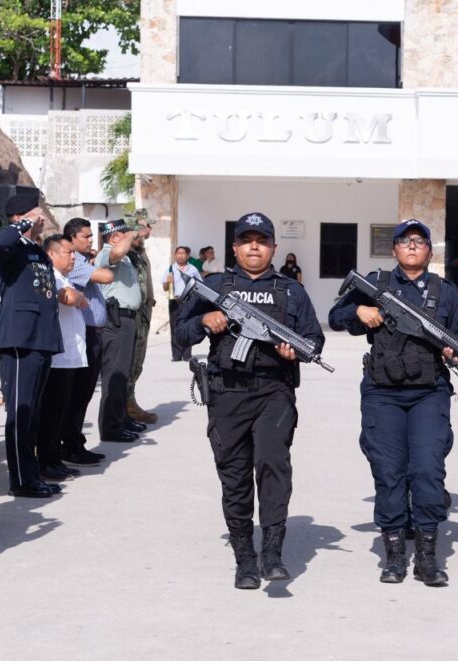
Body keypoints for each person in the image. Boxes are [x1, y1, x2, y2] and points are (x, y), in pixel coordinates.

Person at [175, 212, 324, 590]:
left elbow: (313, 340)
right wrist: (205, 321)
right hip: (226, 392)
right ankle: (244, 557)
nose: (254, 247)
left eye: (262, 241)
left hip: (274, 391)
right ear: (235, 247)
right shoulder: (215, 285)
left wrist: (295, 352)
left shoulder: (291, 291)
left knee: (274, 466)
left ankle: (272, 553)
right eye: (247, 241)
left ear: (274, 247)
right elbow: (181, 334)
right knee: (234, 474)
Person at [329, 219, 458, 587]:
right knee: (388, 471)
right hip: (382, 392)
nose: (412, 245)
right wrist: (358, 312)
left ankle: (426, 557)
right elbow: (335, 316)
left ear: (429, 251)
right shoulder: (376, 285)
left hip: (429, 391)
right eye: (404, 241)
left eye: (419, 241)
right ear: (394, 249)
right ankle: (393, 556)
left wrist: (454, 350)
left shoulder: (444, 291)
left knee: (427, 470)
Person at [0, 195, 63, 498]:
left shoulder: (35, 249)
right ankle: (20, 480)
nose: (42, 217)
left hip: (41, 338)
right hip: (21, 340)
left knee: (32, 413)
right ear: (19, 216)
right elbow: (0, 242)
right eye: (37, 212)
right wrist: (24, 223)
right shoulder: (12, 246)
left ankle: (31, 476)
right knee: (21, 413)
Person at [36, 235, 89, 481]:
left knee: (61, 411)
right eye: (68, 252)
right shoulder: (51, 277)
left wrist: (78, 296)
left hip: (70, 356)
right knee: (51, 412)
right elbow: (68, 297)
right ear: (51, 254)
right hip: (58, 357)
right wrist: (78, 297)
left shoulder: (64, 278)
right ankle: (47, 461)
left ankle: (55, 458)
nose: (73, 257)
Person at [63, 218, 113, 466]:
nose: (91, 240)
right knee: (78, 394)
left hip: (92, 333)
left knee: (83, 393)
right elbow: (107, 276)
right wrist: (97, 261)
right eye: (86, 236)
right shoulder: (77, 264)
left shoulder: (83, 260)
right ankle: (71, 446)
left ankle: (74, 443)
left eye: (92, 235)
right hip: (83, 334)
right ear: (71, 239)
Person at [95, 219, 145, 443]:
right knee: (114, 375)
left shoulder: (125, 256)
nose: (130, 236)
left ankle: (121, 419)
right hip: (116, 320)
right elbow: (117, 252)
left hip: (128, 319)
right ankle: (111, 427)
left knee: (123, 375)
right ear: (114, 236)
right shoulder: (107, 253)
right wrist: (131, 234)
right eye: (124, 233)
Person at [127, 210, 158, 424]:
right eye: (145, 227)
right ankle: (126, 405)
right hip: (133, 314)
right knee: (130, 361)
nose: (148, 231)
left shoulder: (140, 251)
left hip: (144, 312)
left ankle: (130, 401)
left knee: (138, 361)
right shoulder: (126, 253)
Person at [164, 246, 203, 361]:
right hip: (174, 301)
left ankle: (187, 354)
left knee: (188, 326)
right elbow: (165, 287)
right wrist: (167, 283)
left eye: (183, 253)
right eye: (178, 253)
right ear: (175, 255)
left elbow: (200, 284)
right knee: (174, 327)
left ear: (187, 256)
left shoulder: (193, 269)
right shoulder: (170, 269)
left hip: (189, 301)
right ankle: (176, 355)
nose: (180, 256)